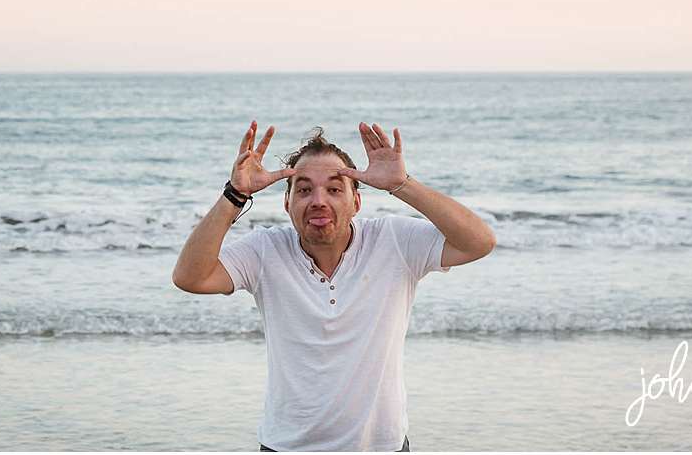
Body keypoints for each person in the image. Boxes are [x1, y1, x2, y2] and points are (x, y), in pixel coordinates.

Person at [173, 122, 497, 452]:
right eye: (303, 190)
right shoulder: (265, 250)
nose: (318, 200)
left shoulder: (394, 241)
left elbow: (479, 242)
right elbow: (190, 277)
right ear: (287, 205)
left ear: (357, 202)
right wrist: (234, 194)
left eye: (334, 189)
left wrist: (402, 185)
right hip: (285, 446)